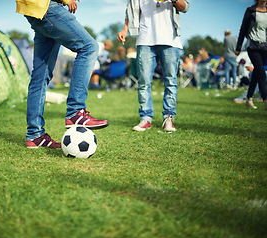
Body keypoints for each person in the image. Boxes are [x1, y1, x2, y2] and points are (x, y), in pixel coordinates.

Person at [16, 0, 109, 149]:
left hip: (34, 10)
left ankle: (35, 135)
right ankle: (75, 111)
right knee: (89, 47)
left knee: (40, 76)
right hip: (48, 7)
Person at [117, 0, 189, 132]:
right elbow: (130, 10)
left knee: (170, 81)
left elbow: (185, 7)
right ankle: (145, 118)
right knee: (143, 82)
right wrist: (125, 29)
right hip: (145, 39)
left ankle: (168, 118)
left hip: (170, 39)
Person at [236, 0, 267, 110]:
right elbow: (243, 29)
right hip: (252, 46)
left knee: (257, 73)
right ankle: (265, 98)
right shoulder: (250, 10)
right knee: (261, 73)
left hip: (265, 46)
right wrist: (238, 46)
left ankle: (249, 98)